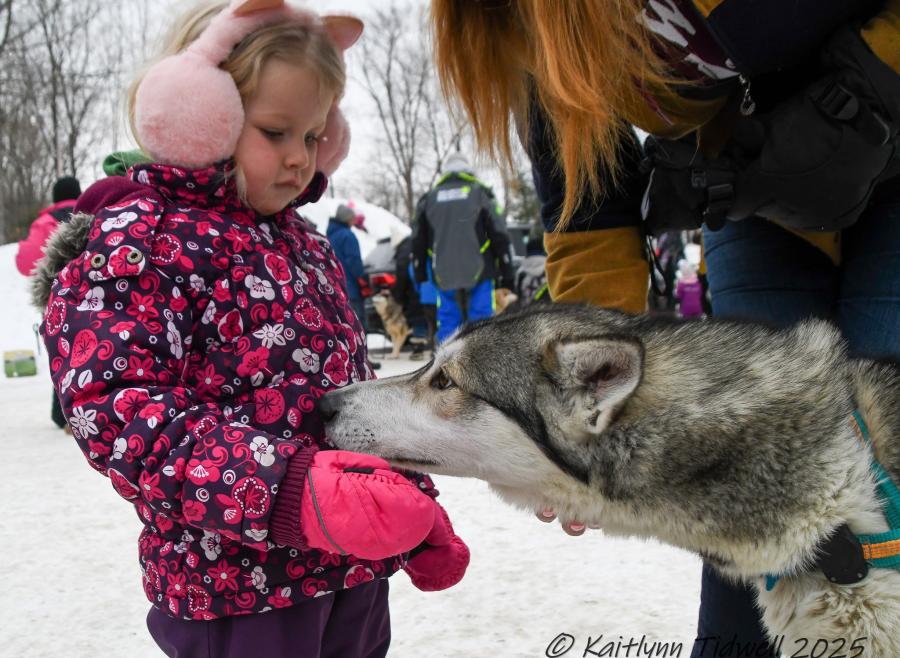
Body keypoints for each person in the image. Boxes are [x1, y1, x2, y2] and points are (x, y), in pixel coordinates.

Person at [431, 0, 899, 654]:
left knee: (881, 452)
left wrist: (861, 94)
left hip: (884, 126)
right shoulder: (517, 26)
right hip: (760, 189)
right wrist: (579, 408)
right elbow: (588, 208)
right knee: (743, 453)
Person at [35, 2, 468, 656]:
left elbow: (349, 400)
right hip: (233, 591)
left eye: (315, 135)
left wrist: (412, 503)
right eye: (276, 132)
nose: (300, 158)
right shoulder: (142, 244)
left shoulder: (310, 246)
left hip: (351, 576)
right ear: (201, 113)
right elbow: (118, 409)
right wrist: (289, 492)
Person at [412, 152, 515, 343]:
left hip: (444, 272)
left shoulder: (429, 199)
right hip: (480, 269)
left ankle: (447, 367)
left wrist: (420, 273)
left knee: (449, 322)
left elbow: (417, 238)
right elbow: (499, 233)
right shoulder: (480, 193)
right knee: (482, 321)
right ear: (467, 170)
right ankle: (484, 366)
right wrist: (508, 272)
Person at [17, 175, 81, 431]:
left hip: (56, 299)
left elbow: (25, 263)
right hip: (91, 294)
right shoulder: (95, 214)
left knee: (62, 353)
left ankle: (63, 414)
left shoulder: (45, 222)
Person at [16, 176, 81, 277]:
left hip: (58, 288)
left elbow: (27, 264)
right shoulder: (94, 215)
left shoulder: (44, 222)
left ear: (55, 198)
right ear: (79, 194)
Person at [327, 203, 368, 329]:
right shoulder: (347, 235)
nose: (354, 220)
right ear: (346, 219)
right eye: (352, 218)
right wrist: (363, 277)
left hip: (335, 287)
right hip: (351, 288)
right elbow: (353, 260)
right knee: (358, 325)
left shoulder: (329, 235)